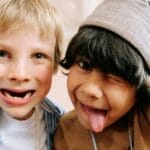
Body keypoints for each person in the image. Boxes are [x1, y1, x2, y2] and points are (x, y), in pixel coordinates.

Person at [53, 0, 150, 149]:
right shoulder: (65, 130)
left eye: (114, 75)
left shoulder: (144, 118)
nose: (90, 90)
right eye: (83, 65)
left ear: (139, 87)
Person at [0, 0, 64, 150]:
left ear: (55, 65)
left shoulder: (62, 124)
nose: (19, 74)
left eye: (38, 56)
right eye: (2, 53)